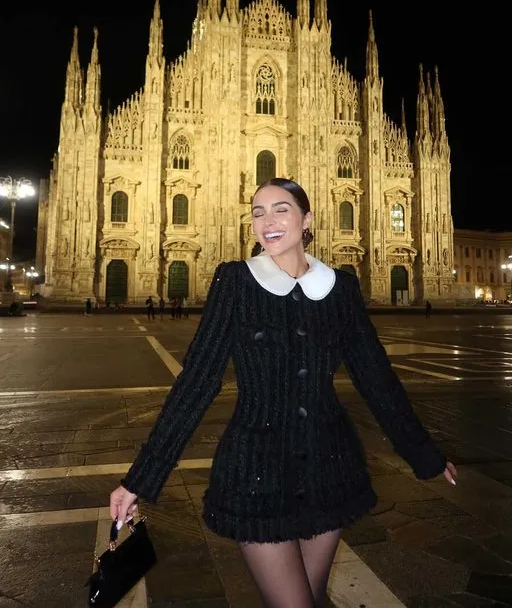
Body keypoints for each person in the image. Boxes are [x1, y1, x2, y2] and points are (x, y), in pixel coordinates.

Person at [110, 178, 456, 608]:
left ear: (306, 219)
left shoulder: (340, 288)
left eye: (280, 209)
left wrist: (424, 453)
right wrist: (140, 477)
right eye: (257, 212)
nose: (267, 221)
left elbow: (377, 379)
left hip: (330, 467)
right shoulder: (235, 282)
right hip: (255, 472)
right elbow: (198, 381)